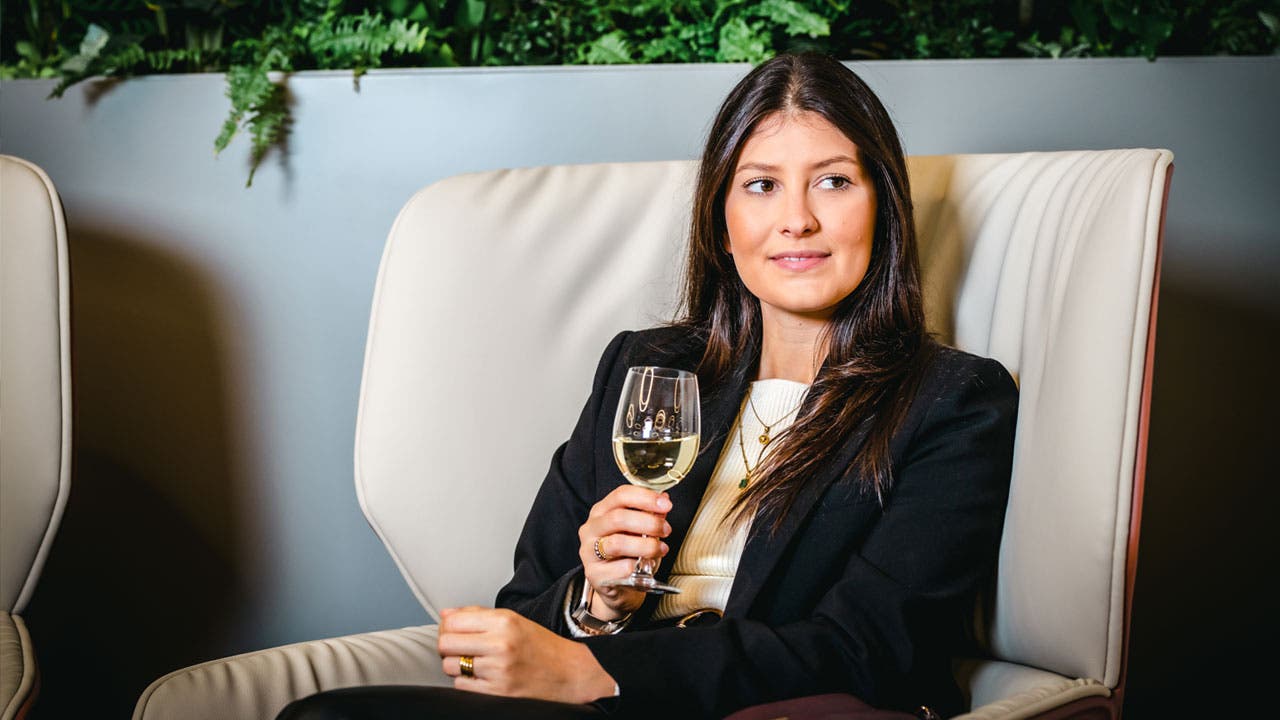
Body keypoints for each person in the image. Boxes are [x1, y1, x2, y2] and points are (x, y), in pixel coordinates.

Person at [278, 51, 1017, 720]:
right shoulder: (648, 370)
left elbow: (874, 647)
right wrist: (596, 605)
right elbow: (528, 608)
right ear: (722, 225)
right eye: (761, 186)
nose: (796, 220)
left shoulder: (951, 400)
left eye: (833, 181)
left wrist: (601, 671)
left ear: (884, 208)